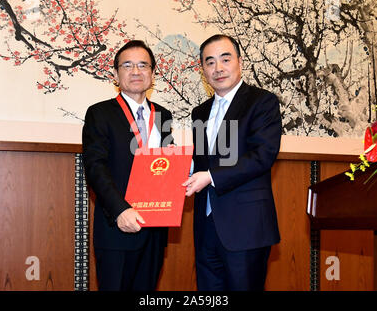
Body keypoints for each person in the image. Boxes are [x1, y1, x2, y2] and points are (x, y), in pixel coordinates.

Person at [183, 34, 282, 291]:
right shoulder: (200, 113)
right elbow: (203, 160)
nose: (218, 68)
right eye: (210, 62)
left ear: (239, 61)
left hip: (245, 227)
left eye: (225, 59)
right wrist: (181, 168)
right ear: (203, 69)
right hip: (205, 226)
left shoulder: (262, 102)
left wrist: (211, 177)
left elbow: (263, 155)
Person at [82, 40, 173, 291]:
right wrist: (120, 210)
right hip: (117, 228)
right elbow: (95, 167)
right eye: (128, 65)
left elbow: (165, 164)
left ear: (153, 74)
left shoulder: (163, 115)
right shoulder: (99, 113)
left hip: (155, 230)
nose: (136, 71)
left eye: (143, 65)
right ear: (115, 74)